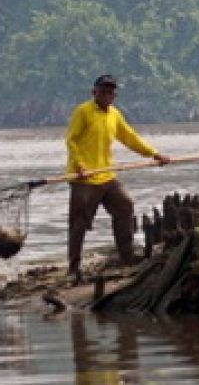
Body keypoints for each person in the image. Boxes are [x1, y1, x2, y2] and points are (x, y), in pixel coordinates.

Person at [65, 74, 170, 283]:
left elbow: (130, 137)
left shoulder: (114, 114)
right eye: (104, 90)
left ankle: (127, 258)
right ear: (94, 91)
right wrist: (81, 165)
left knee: (125, 205)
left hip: (107, 175)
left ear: (115, 94)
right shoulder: (83, 112)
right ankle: (73, 268)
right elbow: (71, 140)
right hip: (84, 178)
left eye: (111, 91)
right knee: (79, 223)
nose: (107, 94)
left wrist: (154, 154)